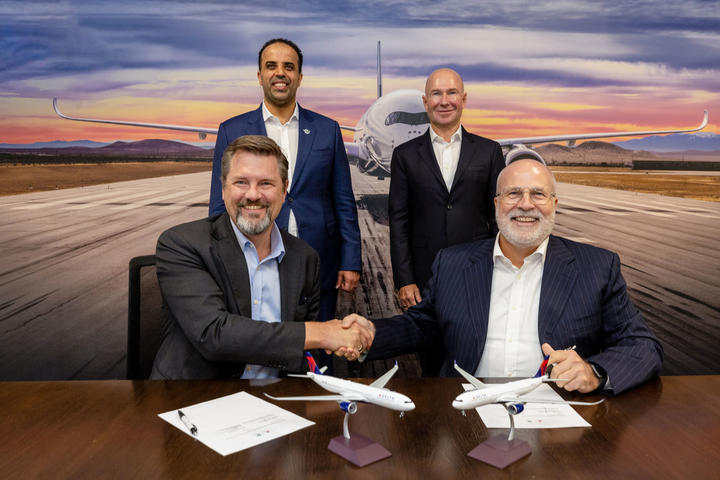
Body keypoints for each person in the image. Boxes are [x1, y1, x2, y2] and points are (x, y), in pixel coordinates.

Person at [344, 159, 663, 395]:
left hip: (558, 413)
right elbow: (423, 326)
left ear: (555, 204)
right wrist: (365, 336)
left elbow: (642, 346)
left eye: (538, 194)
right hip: (466, 407)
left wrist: (595, 372)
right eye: (513, 193)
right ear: (496, 204)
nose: (526, 204)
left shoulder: (597, 267)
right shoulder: (453, 263)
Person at [151, 136, 370, 380]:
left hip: (279, 399)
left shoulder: (306, 259)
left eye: (266, 183)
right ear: (223, 188)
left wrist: (350, 339)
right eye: (241, 182)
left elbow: (306, 356)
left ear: (284, 190)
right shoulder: (182, 244)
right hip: (194, 399)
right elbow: (214, 335)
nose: (253, 195)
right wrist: (323, 333)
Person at [208, 38, 361, 326]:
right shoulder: (232, 130)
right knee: (261, 338)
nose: (280, 73)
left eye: (288, 67)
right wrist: (218, 260)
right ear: (259, 76)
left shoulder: (327, 130)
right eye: (271, 66)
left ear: (299, 77)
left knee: (317, 342)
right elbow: (220, 203)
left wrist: (350, 259)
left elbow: (343, 200)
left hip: (317, 257)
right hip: (252, 256)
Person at [388, 68, 505, 375]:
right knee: (430, 365)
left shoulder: (489, 152)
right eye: (436, 94)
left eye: (451, 93)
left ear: (463, 99)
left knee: (477, 361)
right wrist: (404, 279)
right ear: (425, 102)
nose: (444, 101)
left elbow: (498, 219)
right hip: (426, 281)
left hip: (479, 275)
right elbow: (399, 221)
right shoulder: (404, 156)